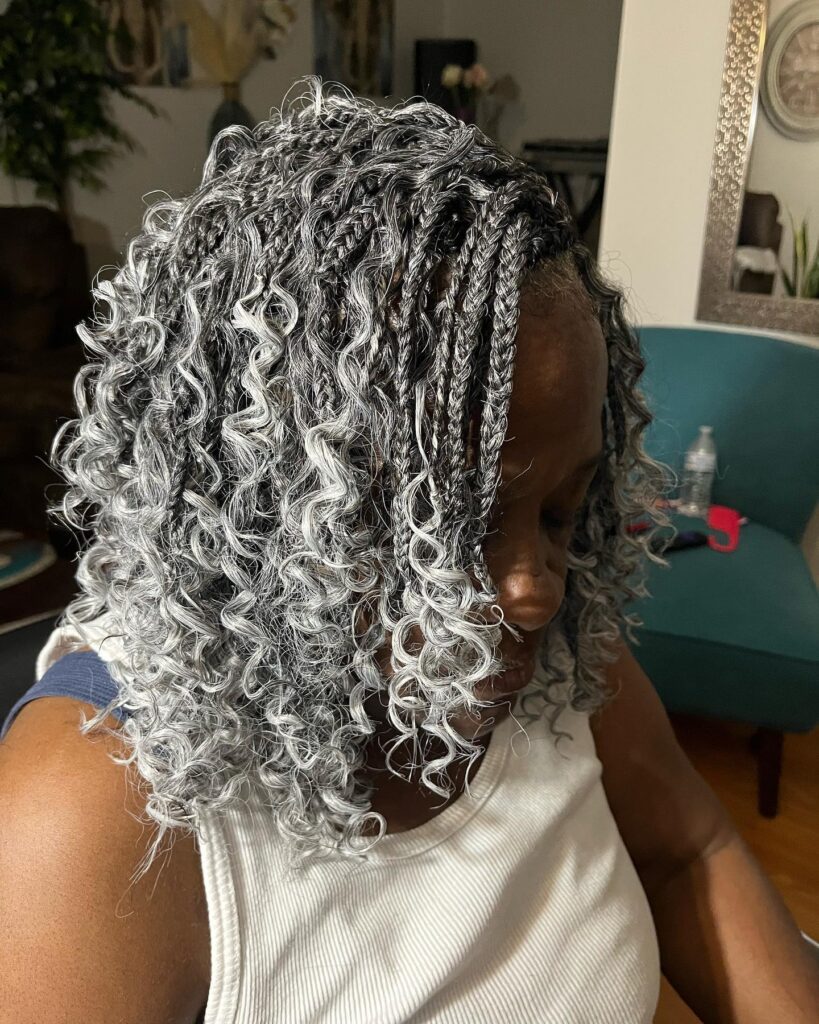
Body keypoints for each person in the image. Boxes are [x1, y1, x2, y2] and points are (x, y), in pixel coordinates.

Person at [1, 76, 817, 1024]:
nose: (534, 592)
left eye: (560, 511)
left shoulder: (550, 656)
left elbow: (689, 853)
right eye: (451, 530)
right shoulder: (93, 810)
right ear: (271, 506)